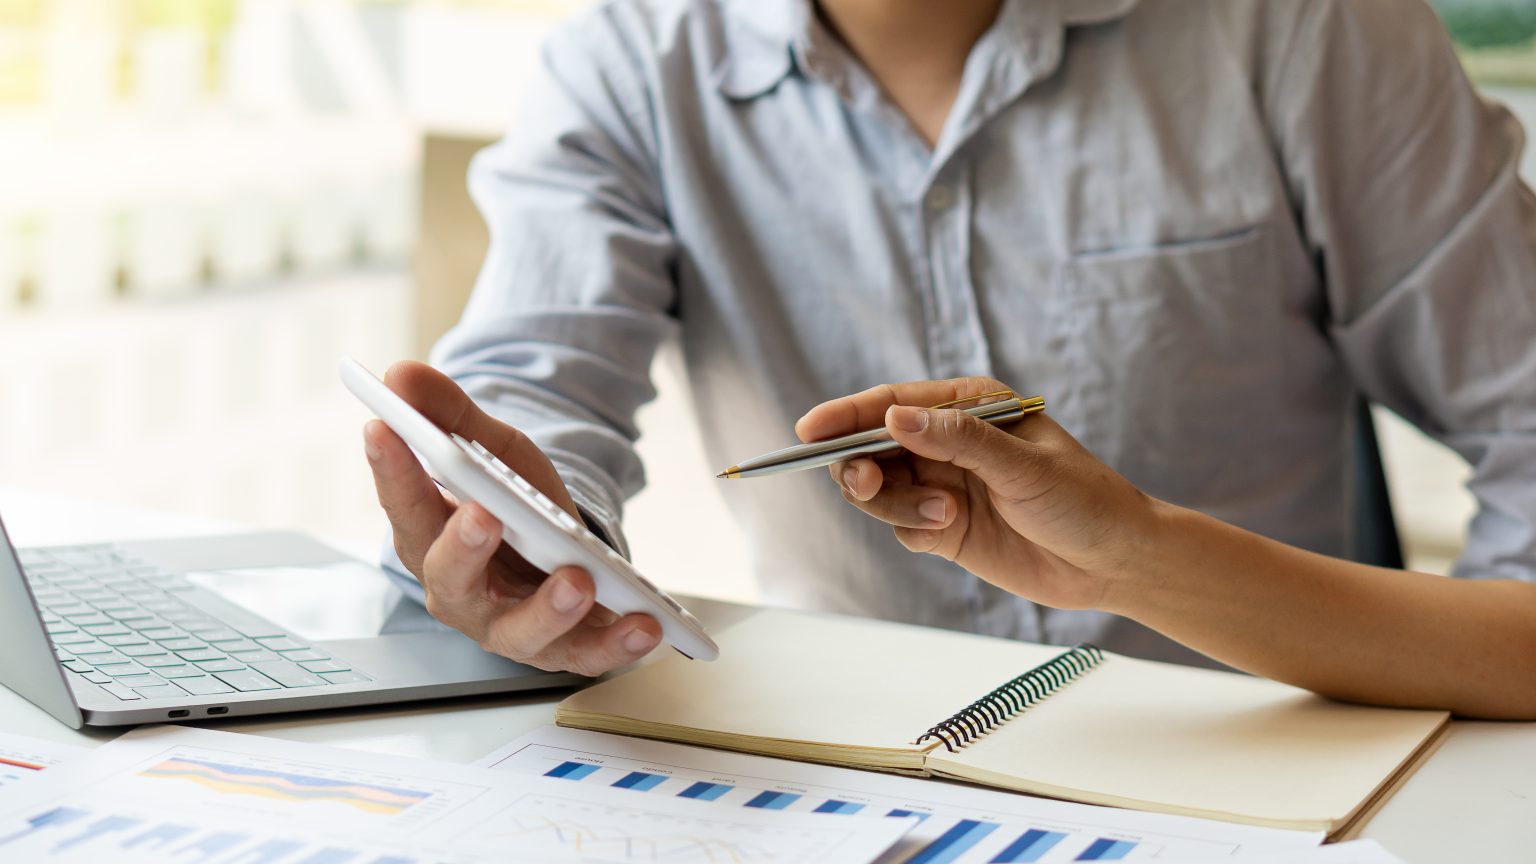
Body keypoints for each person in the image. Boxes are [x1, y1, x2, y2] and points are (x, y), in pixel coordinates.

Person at [364, 0, 1536, 694]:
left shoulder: (1303, 26)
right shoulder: (633, 56)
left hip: (1267, 758)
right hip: (862, 770)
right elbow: (535, 379)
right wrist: (526, 535)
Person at [796, 377, 1536, 719]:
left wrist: (1127, 555)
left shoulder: (1315, 67)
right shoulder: (677, 88)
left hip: (1301, 751)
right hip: (864, 741)